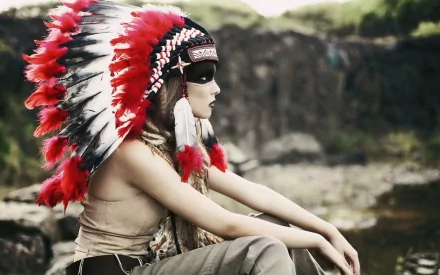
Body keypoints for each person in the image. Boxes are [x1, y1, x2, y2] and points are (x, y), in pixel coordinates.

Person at [22, 0, 360, 274]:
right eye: (204, 76)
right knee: (263, 247)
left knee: (276, 226)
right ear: (173, 84)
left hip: (155, 264)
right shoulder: (132, 152)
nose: (216, 88)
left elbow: (252, 191)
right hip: (119, 272)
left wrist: (326, 230)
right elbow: (224, 223)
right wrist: (315, 241)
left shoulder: (173, 144)